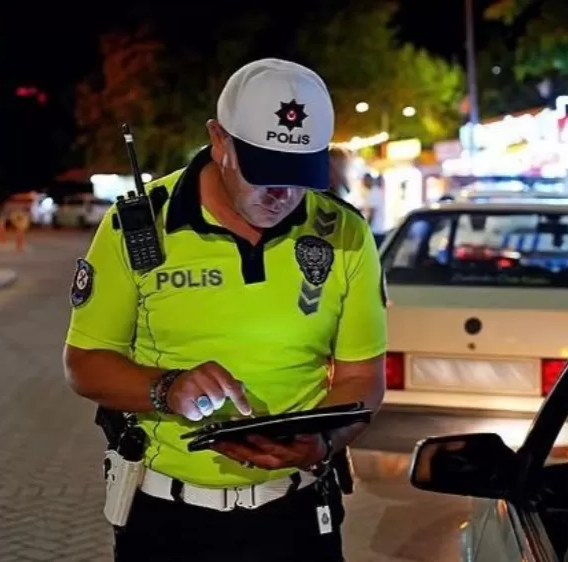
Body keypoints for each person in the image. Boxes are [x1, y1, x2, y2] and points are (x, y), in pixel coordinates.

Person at [62, 58, 387, 561]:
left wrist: (324, 440)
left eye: (298, 175)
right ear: (219, 141)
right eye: (265, 172)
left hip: (299, 516)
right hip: (168, 522)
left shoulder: (344, 233)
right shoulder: (140, 226)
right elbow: (84, 363)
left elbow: (362, 376)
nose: (282, 195)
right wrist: (167, 388)